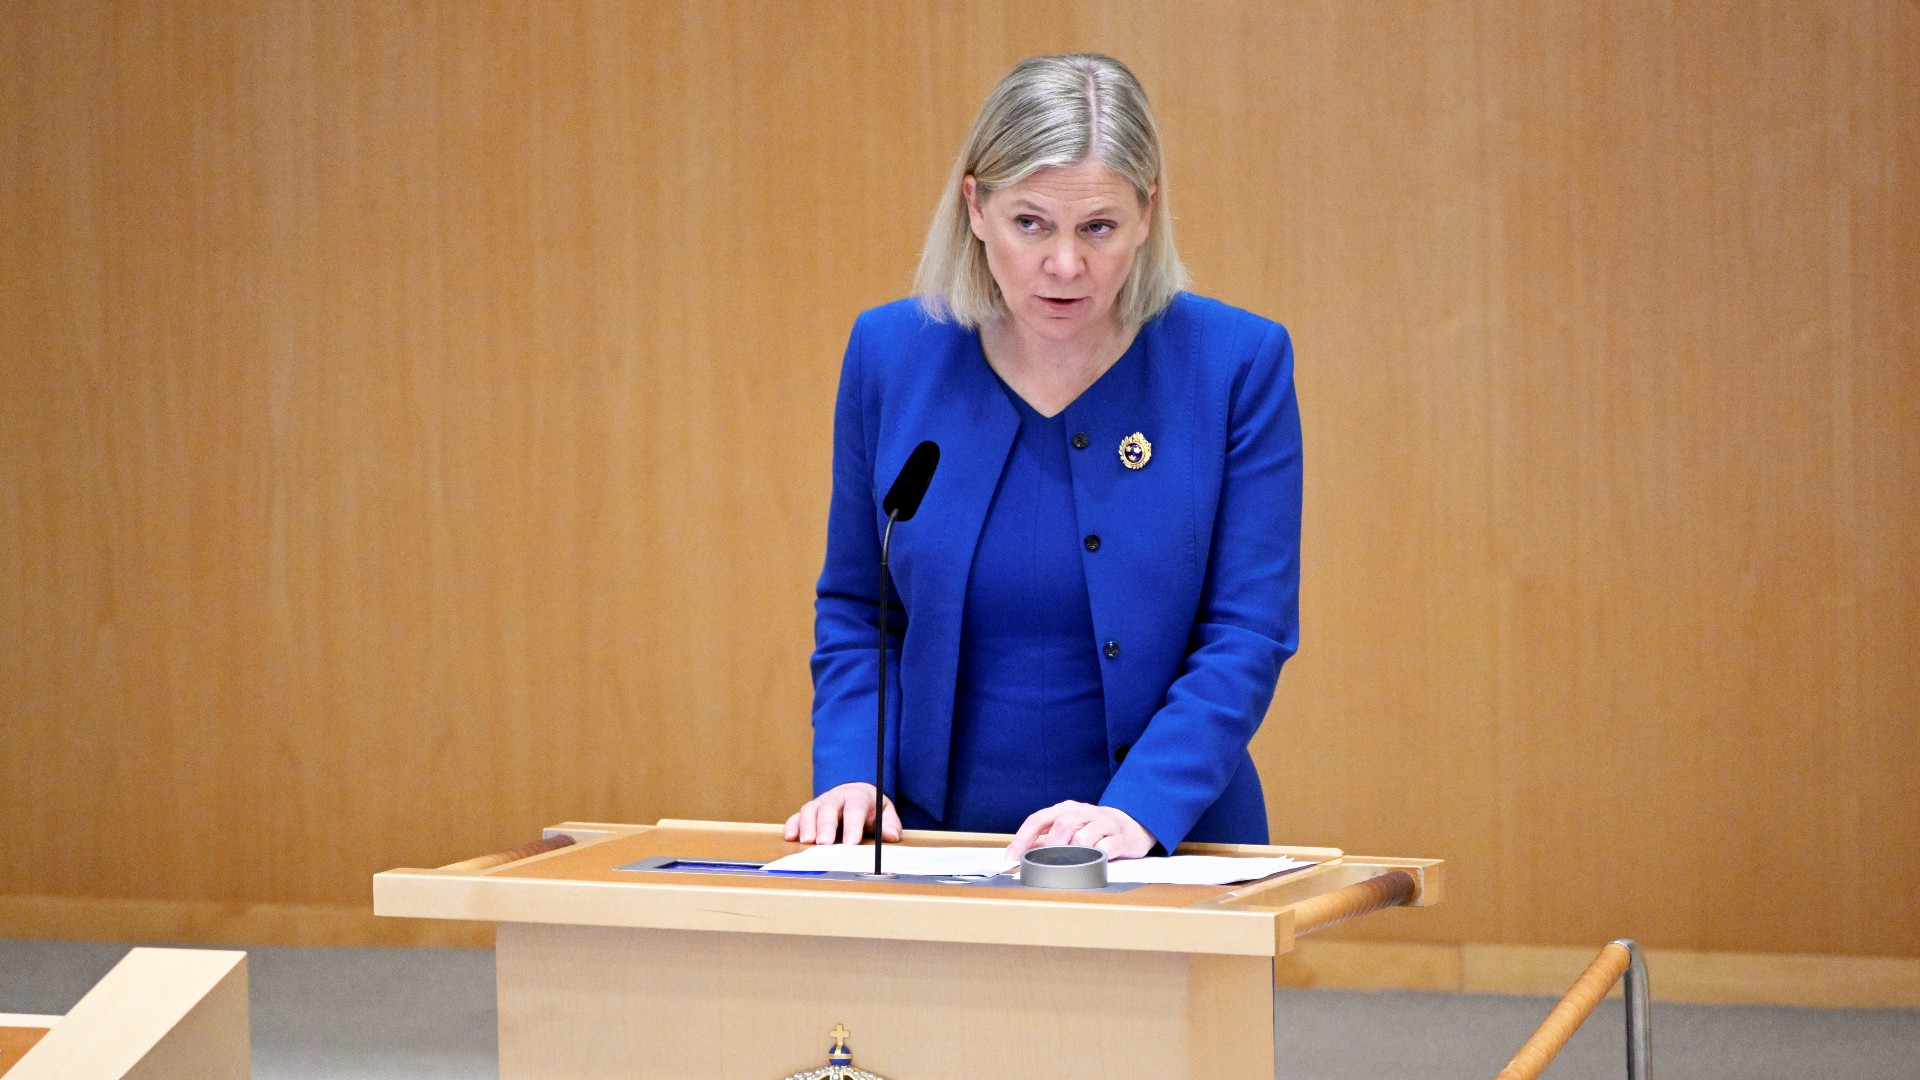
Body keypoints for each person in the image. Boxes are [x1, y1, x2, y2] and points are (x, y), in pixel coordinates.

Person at [783, 53, 1301, 862]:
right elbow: (860, 608)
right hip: (932, 843)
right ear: (975, 206)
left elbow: (1247, 631)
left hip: (1165, 841)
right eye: (1030, 223)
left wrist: (1136, 811)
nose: (1065, 264)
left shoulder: (1234, 364)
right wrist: (854, 772)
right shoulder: (891, 353)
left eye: (1099, 227)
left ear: (1147, 213)